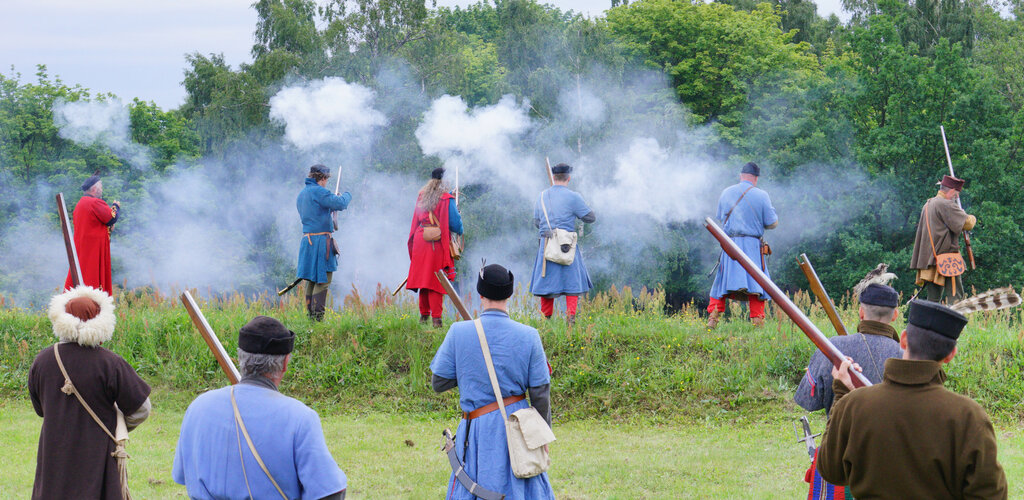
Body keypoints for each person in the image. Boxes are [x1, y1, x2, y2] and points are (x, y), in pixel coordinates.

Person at [817, 300, 1007, 498]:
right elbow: (990, 494)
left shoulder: (853, 404)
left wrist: (841, 394)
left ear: (904, 339)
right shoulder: (968, 415)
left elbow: (831, 471)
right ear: (951, 354)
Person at [173, 316, 347, 499]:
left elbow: (182, 475)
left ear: (241, 357)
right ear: (285, 363)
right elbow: (330, 492)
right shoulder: (300, 418)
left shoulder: (197, 408)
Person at [431, 263, 555, 500]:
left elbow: (439, 382)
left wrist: (470, 371)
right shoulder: (529, 335)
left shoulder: (459, 332)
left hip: (477, 429)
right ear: (510, 295)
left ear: (480, 294)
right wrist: (542, 435)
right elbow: (540, 394)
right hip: (520, 428)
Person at [29, 285, 152, 499]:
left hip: (54, 457)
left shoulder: (42, 361)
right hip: (97, 456)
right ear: (100, 322)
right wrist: (113, 428)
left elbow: (41, 410)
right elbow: (141, 409)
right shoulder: (110, 363)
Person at [794, 283, 903, 416]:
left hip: (839, 435)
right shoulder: (906, 355)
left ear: (861, 312)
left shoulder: (833, 347)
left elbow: (807, 401)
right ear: (895, 315)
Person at [707, 162, 778, 328]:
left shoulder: (726, 192)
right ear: (756, 178)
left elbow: (720, 218)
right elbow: (772, 223)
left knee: (721, 282)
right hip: (752, 246)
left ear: (741, 175)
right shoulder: (762, 195)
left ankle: (713, 319)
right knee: (758, 283)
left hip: (730, 244)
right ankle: (758, 321)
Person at [529, 163, 595, 325]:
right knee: (572, 283)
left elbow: (537, 222)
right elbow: (590, 218)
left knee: (547, 283)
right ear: (569, 178)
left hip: (546, 243)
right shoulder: (574, 197)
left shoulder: (542, 196)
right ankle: (570, 320)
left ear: (553, 177)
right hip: (566, 244)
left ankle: (546, 323)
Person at [406, 167, 463, 327]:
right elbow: (455, 225)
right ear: (444, 181)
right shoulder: (446, 198)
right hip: (435, 244)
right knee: (437, 282)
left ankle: (424, 317)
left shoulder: (422, 195)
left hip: (420, 240)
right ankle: (437, 320)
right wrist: (458, 216)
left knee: (424, 280)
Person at [296, 164, 352, 320]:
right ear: (322, 178)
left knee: (312, 279)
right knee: (323, 280)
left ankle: (311, 317)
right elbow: (341, 203)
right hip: (320, 242)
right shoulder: (319, 192)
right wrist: (347, 194)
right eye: (326, 179)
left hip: (308, 242)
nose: (327, 182)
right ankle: (318, 318)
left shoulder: (302, 194)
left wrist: (332, 199)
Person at [909, 174, 976, 304]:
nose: (956, 197)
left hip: (930, 259)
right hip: (947, 259)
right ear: (951, 190)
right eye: (956, 193)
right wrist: (971, 216)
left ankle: (931, 324)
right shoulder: (945, 204)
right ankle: (955, 324)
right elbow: (968, 223)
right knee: (956, 299)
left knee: (932, 300)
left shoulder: (928, 204)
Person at [63, 174, 121, 295]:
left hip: (83, 247)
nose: (102, 189)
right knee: (92, 278)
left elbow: (96, 224)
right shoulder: (94, 202)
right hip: (93, 249)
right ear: (94, 189)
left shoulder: (80, 204)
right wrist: (116, 207)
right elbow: (111, 218)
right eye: (101, 186)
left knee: (81, 276)